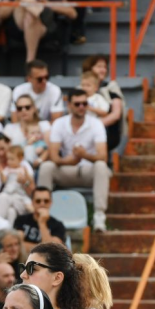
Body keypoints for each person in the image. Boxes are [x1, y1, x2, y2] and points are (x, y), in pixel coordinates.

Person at [38, 89, 110, 233]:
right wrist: (69, 161)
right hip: (67, 169)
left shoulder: (96, 123)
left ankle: (99, 215)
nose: (82, 107)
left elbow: (103, 156)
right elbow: (53, 156)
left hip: (88, 171)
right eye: (77, 104)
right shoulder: (59, 123)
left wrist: (84, 155)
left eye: (85, 103)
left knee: (101, 167)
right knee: (46, 167)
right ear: (69, 105)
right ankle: (41, 213)